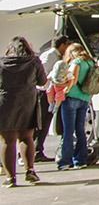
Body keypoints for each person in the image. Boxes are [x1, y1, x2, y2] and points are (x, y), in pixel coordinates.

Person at [0, 36, 47, 188]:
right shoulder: (34, 61)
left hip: (5, 102)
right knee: (27, 138)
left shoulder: (1, 63)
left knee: (8, 141)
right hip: (27, 102)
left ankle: (10, 178)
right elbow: (42, 81)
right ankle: (30, 171)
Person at [58, 43, 94, 171]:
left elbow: (73, 79)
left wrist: (65, 90)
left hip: (72, 98)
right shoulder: (90, 62)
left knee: (68, 131)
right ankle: (80, 160)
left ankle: (65, 161)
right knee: (80, 130)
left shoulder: (76, 62)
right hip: (85, 98)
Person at [36, 36, 70, 162]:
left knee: (46, 121)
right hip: (44, 92)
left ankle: (38, 149)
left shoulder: (56, 56)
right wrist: (49, 83)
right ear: (62, 45)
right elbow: (42, 73)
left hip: (50, 92)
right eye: (67, 45)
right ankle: (35, 150)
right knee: (41, 121)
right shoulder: (50, 55)